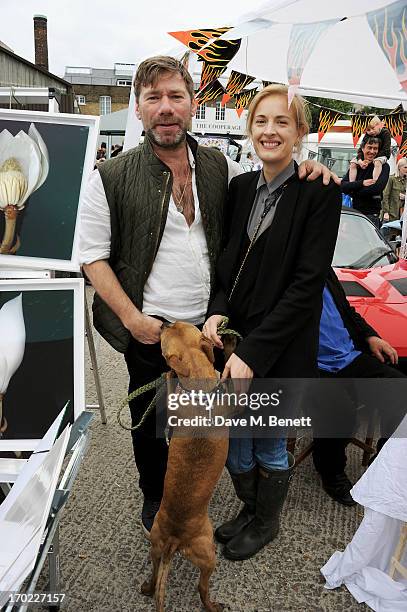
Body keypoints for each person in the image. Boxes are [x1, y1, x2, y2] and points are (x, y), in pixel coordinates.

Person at [79, 57, 333, 536]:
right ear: (137, 108)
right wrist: (133, 321)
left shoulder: (221, 167)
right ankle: (156, 497)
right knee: (150, 425)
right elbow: (92, 258)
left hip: (213, 331)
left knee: (205, 425)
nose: (166, 108)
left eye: (176, 96)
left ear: (193, 104)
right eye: (153, 98)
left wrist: (309, 166)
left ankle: (210, 497)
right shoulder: (109, 176)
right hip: (151, 329)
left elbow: (270, 182)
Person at [203, 84, 342, 561]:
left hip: (279, 347)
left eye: (282, 122)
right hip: (235, 345)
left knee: (267, 438)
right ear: (249, 129)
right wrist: (217, 310)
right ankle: (248, 507)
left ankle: (266, 522)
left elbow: (307, 287)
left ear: (300, 132)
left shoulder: (319, 192)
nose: (270, 130)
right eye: (262, 121)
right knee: (236, 439)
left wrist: (252, 353)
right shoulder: (240, 188)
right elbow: (227, 264)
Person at [313, 267, 405, 506]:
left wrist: (370, 336)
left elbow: (347, 311)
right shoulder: (281, 278)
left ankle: (383, 461)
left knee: (400, 389)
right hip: (312, 367)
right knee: (341, 412)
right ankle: (330, 473)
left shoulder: (325, 271)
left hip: (349, 356)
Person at [341, 136, 390, 227]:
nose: (372, 151)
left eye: (375, 148)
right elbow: (343, 186)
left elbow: (376, 189)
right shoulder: (356, 166)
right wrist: (362, 183)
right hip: (352, 214)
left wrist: (352, 190)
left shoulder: (384, 166)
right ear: (363, 148)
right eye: (369, 147)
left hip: (371, 216)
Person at [349, 116, 391, 183]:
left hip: (382, 154)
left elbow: (386, 150)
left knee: (377, 162)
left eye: (373, 128)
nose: (371, 132)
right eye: (368, 130)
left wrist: (370, 160)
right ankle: (351, 182)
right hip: (370, 157)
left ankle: (374, 181)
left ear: (379, 125)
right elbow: (361, 149)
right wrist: (359, 160)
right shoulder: (367, 135)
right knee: (353, 163)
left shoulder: (385, 133)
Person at [381, 156, 407, 223]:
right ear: (399, 167)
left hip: (402, 216)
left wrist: (405, 197)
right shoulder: (391, 179)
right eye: (405, 167)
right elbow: (385, 196)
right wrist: (386, 212)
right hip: (391, 215)